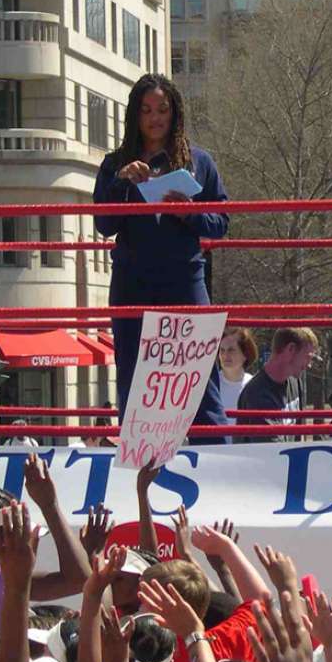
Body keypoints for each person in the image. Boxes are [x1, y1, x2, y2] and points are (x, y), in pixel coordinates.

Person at [92, 74, 230, 437]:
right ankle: (140, 467)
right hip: (132, 282)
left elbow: (221, 222)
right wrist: (121, 182)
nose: (155, 118)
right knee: (135, 380)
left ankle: (217, 461)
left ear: (175, 113)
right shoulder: (114, 164)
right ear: (135, 116)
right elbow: (104, 225)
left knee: (200, 378)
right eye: (147, 110)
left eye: (163, 109)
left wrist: (188, 212)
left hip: (184, 279)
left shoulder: (200, 161)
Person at [232, 328, 318, 444]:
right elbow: (271, 451)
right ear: (291, 349)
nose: (309, 364)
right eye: (308, 356)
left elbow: (298, 438)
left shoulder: (295, 382)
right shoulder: (257, 395)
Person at [216, 327, 257, 443]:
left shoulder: (254, 386)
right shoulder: (211, 385)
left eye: (231, 350)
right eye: (222, 350)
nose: (225, 355)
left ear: (245, 354)